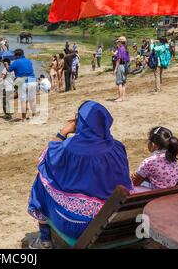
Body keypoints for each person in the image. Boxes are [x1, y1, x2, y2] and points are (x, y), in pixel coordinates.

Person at [27, 101, 133, 249]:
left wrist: (63, 132)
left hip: (79, 225)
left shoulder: (69, 148)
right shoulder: (117, 147)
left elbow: (44, 157)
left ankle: (45, 240)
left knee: (42, 178)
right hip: (116, 218)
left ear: (80, 122)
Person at [131, 127, 178, 191]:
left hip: (159, 196)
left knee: (131, 188)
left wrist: (135, 177)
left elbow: (135, 183)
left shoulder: (148, 162)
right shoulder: (172, 158)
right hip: (173, 192)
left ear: (153, 145)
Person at [8, 49, 37, 122]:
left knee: (23, 101)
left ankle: (23, 118)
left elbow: (9, 70)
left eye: (14, 55)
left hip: (23, 82)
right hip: (32, 80)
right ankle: (34, 115)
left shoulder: (16, 62)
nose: (14, 57)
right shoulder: (28, 60)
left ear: (17, 55)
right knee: (32, 100)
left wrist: (6, 65)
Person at [113, 37, 130, 102]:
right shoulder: (126, 49)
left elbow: (118, 59)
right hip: (126, 66)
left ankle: (120, 97)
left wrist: (115, 69)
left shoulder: (120, 49)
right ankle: (123, 97)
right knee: (124, 82)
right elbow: (128, 59)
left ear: (120, 42)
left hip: (120, 66)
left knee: (119, 82)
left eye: (118, 42)